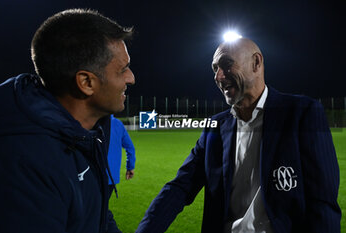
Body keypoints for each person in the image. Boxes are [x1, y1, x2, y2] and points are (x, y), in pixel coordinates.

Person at [136, 38, 341, 233]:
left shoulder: (302, 113)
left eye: (226, 64)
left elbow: (322, 204)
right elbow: (179, 188)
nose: (218, 76)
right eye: (215, 69)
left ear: (256, 62)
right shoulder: (214, 127)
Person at [0, 9, 135, 233]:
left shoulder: (94, 127)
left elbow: (95, 213)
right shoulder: (23, 162)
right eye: (123, 69)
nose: (131, 78)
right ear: (86, 83)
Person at [108, 115, 136, 186]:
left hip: (90, 175)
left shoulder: (89, 123)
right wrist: (130, 167)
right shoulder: (118, 124)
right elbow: (130, 148)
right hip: (112, 177)